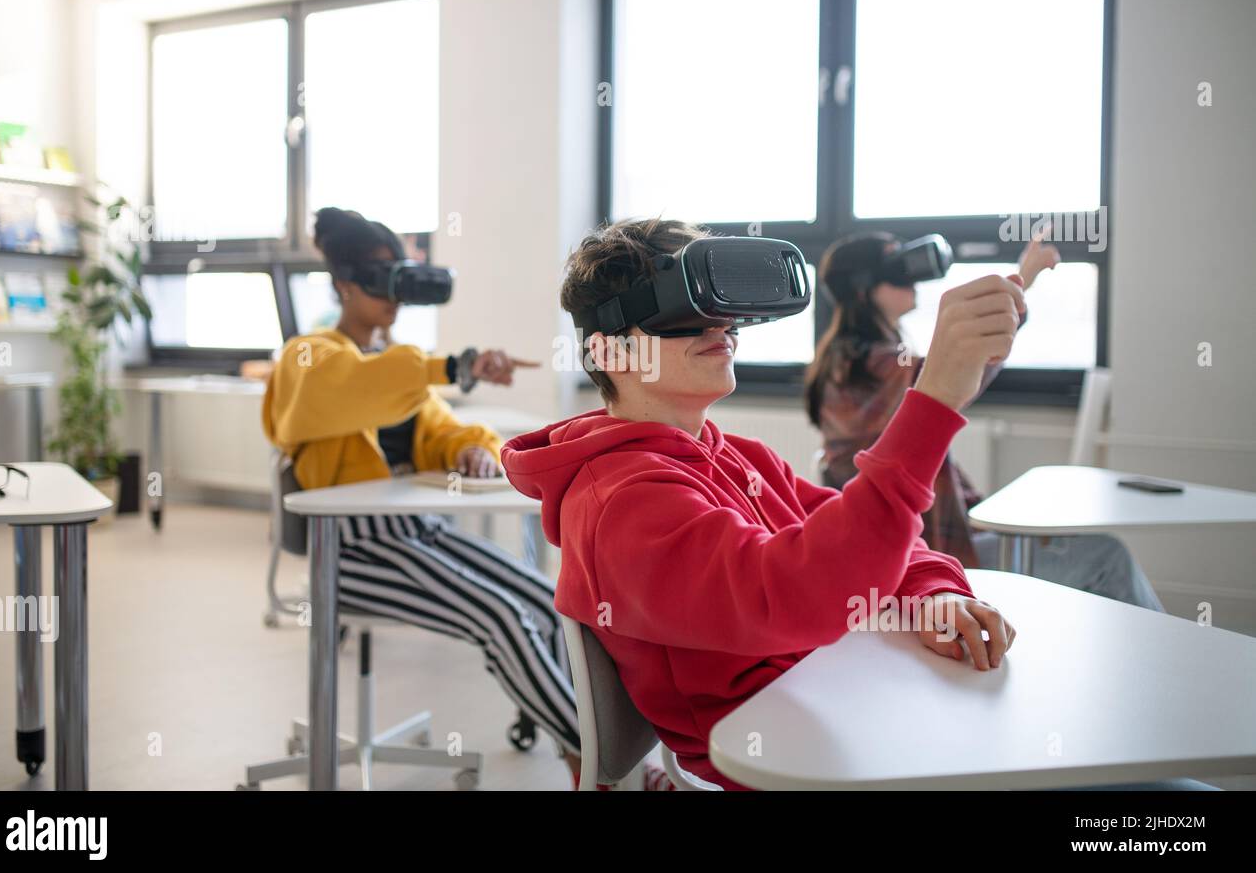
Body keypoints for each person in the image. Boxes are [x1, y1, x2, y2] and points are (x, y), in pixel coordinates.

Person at [502, 217, 1021, 790]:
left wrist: (933, 594)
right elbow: (798, 593)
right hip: (780, 761)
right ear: (611, 349)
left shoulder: (740, 455)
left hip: (834, 703)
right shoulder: (623, 502)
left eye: (721, 307)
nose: (720, 326)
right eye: (682, 311)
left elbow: (866, 540)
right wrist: (934, 401)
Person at [261, 207, 583, 770]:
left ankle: (572, 744)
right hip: (349, 551)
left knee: (545, 601)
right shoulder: (306, 356)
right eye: (376, 279)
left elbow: (441, 425)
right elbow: (356, 387)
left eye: (397, 279)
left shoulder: (396, 369)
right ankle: (601, 758)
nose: (392, 296)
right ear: (341, 284)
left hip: (413, 533)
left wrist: (470, 449)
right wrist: (451, 365)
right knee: (502, 617)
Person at [805, 229, 1162, 611]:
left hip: (925, 543)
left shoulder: (853, 359)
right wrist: (1022, 281)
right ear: (863, 288)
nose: (913, 281)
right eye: (897, 269)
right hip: (925, 558)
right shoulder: (866, 367)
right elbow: (958, 374)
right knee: (1106, 555)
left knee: (1076, 545)